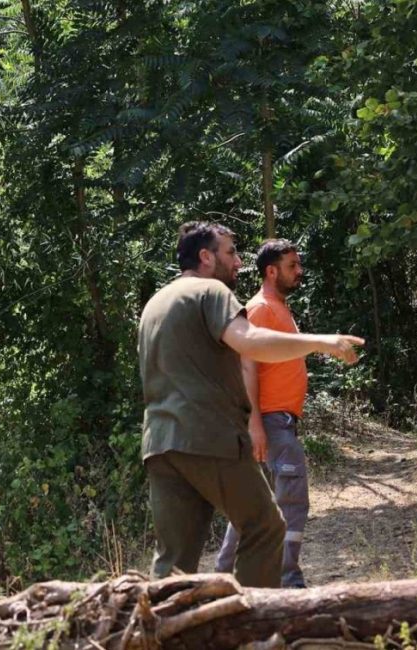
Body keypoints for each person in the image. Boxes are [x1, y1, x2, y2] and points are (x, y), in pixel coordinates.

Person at [137, 222, 363, 588]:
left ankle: (162, 622)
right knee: (265, 526)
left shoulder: (155, 304)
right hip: (209, 437)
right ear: (206, 257)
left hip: (160, 444)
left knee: (173, 561)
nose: (239, 262)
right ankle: (251, 620)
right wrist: (322, 342)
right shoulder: (210, 291)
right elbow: (250, 342)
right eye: (230, 253)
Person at [214, 239, 311, 588]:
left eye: (298, 264)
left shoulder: (278, 308)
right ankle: (287, 580)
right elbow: (246, 366)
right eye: (291, 266)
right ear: (271, 271)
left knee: (252, 508)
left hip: (278, 421)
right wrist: (255, 422)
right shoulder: (260, 309)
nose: (299, 271)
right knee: (293, 501)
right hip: (271, 422)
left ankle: (222, 580)